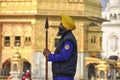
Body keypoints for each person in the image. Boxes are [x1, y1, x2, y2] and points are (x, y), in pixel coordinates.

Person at [43, 13, 77, 80]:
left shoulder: (68, 39)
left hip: (64, 75)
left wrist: (50, 56)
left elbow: (64, 56)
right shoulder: (65, 38)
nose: (59, 26)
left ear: (66, 26)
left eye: (61, 24)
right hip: (60, 74)